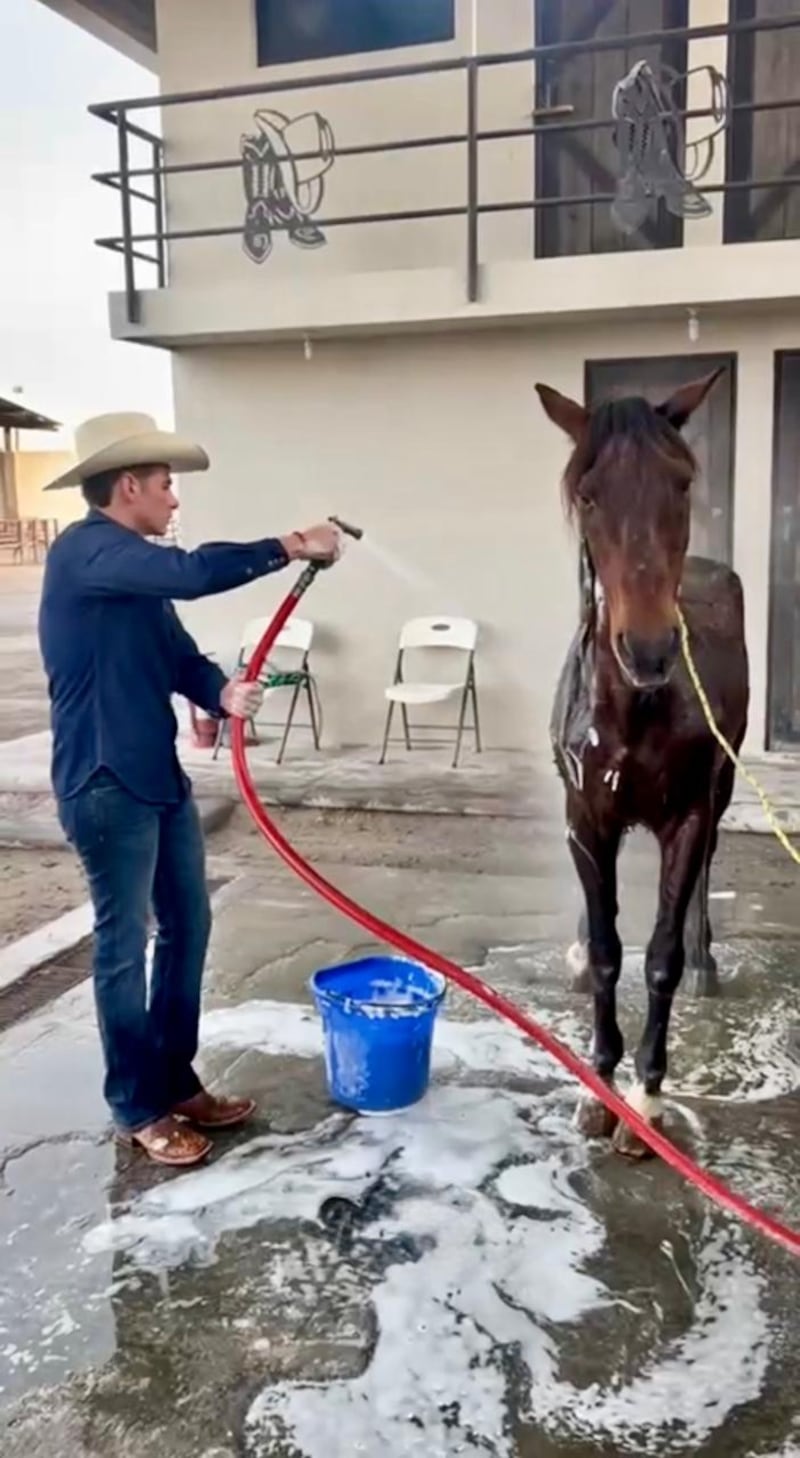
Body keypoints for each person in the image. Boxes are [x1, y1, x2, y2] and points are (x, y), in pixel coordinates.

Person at [38, 412, 343, 1168]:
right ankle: (135, 1103)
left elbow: (177, 655)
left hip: (156, 778)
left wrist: (220, 692)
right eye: (167, 486)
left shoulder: (130, 572)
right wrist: (289, 546)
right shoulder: (87, 553)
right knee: (122, 946)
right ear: (131, 485)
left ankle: (174, 1080)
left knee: (188, 928)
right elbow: (195, 573)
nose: (175, 500)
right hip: (104, 783)